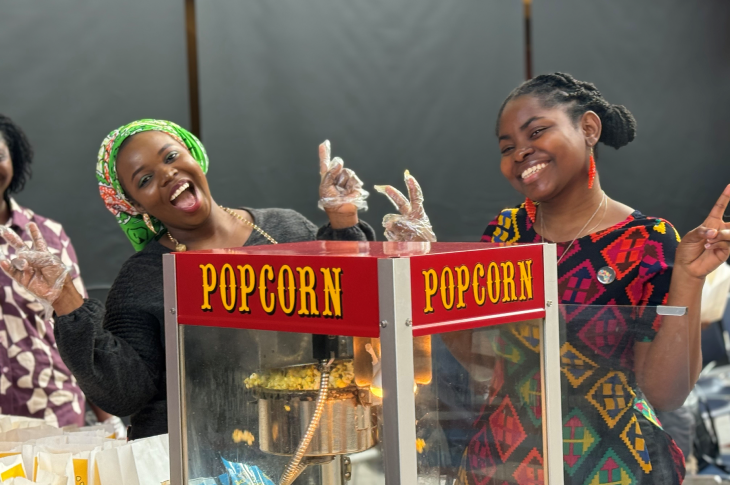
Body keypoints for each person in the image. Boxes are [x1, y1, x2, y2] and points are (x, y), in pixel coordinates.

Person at [376, 73, 730, 484]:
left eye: (537, 131)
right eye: (507, 148)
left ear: (589, 128)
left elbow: (666, 393)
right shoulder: (506, 232)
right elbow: (478, 360)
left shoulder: (647, 241)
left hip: (608, 465)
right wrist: (428, 263)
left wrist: (688, 279)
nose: (521, 153)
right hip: (502, 461)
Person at [0, 119, 374, 440]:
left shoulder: (286, 227)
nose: (166, 174)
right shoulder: (144, 277)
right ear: (134, 205)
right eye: (145, 179)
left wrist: (343, 221)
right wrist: (65, 301)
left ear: (195, 155)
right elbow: (124, 394)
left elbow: (353, 312)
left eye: (171, 156)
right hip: (197, 461)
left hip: (306, 439)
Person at [0, 114, 91, 428]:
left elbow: (80, 325)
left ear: (15, 160)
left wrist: (110, 422)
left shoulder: (49, 235)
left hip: (54, 410)